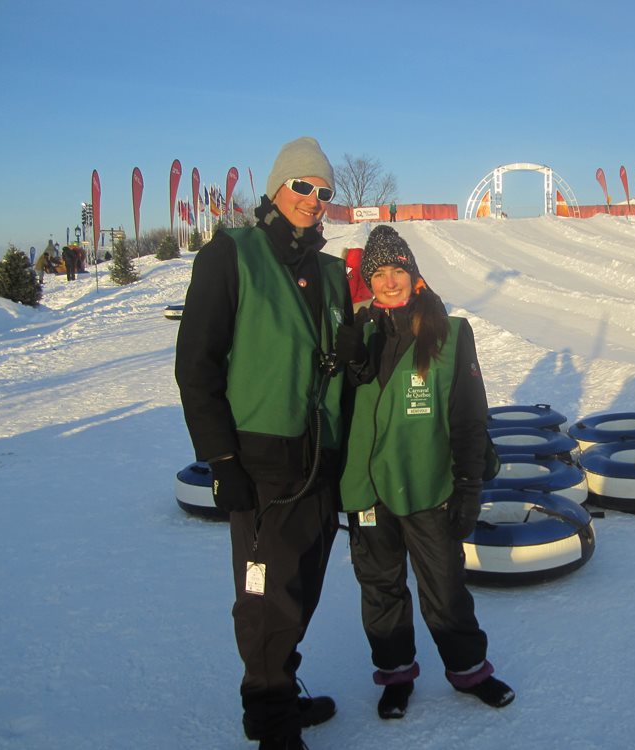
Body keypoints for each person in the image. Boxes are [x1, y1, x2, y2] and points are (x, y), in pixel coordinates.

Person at [175, 136, 361, 750]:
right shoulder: (233, 253)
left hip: (318, 456)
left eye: (324, 191)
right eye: (303, 186)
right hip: (260, 459)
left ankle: (280, 684)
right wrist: (222, 459)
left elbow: (344, 360)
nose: (313, 199)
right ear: (277, 188)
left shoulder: (330, 271)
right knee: (264, 593)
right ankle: (271, 720)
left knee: (303, 584)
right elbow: (196, 367)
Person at [340, 225, 514, 720]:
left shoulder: (449, 333)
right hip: (368, 492)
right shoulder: (359, 334)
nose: (389, 280)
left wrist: (468, 485)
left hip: (427, 486)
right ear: (368, 281)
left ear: (415, 276)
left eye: (399, 269)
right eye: (379, 272)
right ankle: (395, 677)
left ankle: (470, 672)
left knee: (444, 587)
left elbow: (468, 415)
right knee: (380, 588)